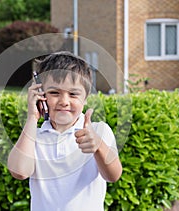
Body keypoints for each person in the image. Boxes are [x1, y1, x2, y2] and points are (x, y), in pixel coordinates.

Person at [7, 51, 122, 211]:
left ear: (86, 98)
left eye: (73, 94)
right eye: (54, 93)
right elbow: (19, 172)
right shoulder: (34, 136)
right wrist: (32, 118)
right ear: (41, 95)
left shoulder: (98, 131)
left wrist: (98, 147)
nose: (64, 101)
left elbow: (113, 175)